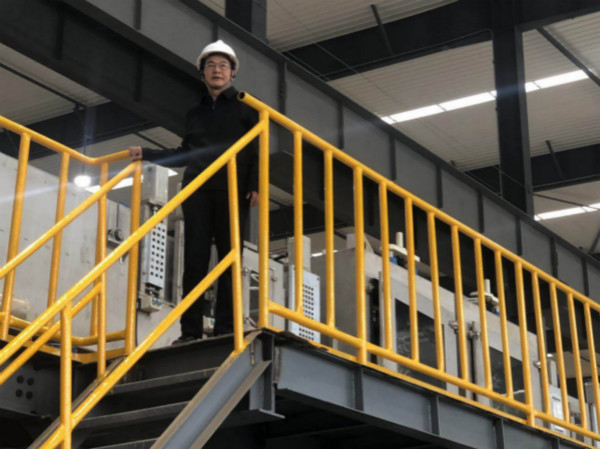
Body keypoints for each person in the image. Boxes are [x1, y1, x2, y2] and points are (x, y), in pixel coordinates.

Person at [128, 40, 258, 343]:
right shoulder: (195, 112)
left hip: (232, 190)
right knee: (194, 261)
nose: (217, 70)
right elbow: (186, 152)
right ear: (203, 74)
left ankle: (226, 329)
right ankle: (190, 332)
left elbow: (257, 149)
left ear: (233, 73)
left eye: (223, 65)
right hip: (198, 189)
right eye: (211, 66)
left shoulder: (247, 108)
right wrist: (148, 153)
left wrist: (254, 185)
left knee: (229, 258)